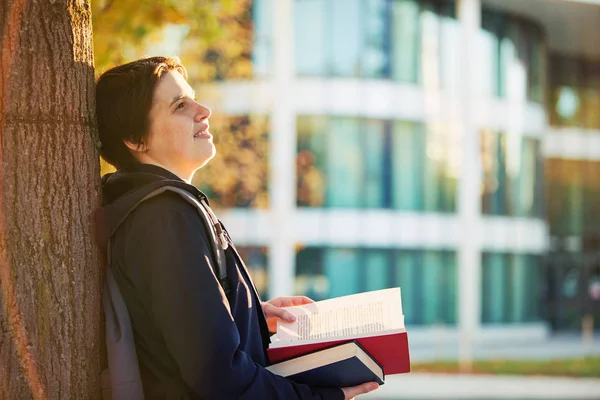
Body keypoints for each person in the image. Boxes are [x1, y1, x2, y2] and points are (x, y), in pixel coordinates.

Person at [95, 56, 380, 399]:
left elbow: (178, 327)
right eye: (180, 105)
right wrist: (322, 398)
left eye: (194, 98)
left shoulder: (163, 208)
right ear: (135, 139)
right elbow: (220, 377)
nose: (204, 110)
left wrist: (252, 315)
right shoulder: (163, 216)